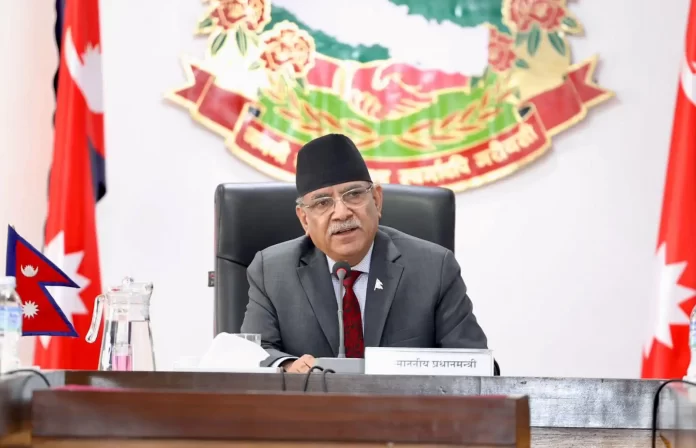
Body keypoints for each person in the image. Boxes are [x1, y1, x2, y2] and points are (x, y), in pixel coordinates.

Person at [240, 133, 489, 373]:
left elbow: (476, 366)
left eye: (354, 195)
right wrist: (286, 366)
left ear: (377, 201)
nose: (341, 213)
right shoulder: (271, 272)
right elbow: (252, 353)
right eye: (322, 203)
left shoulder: (434, 268)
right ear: (305, 219)